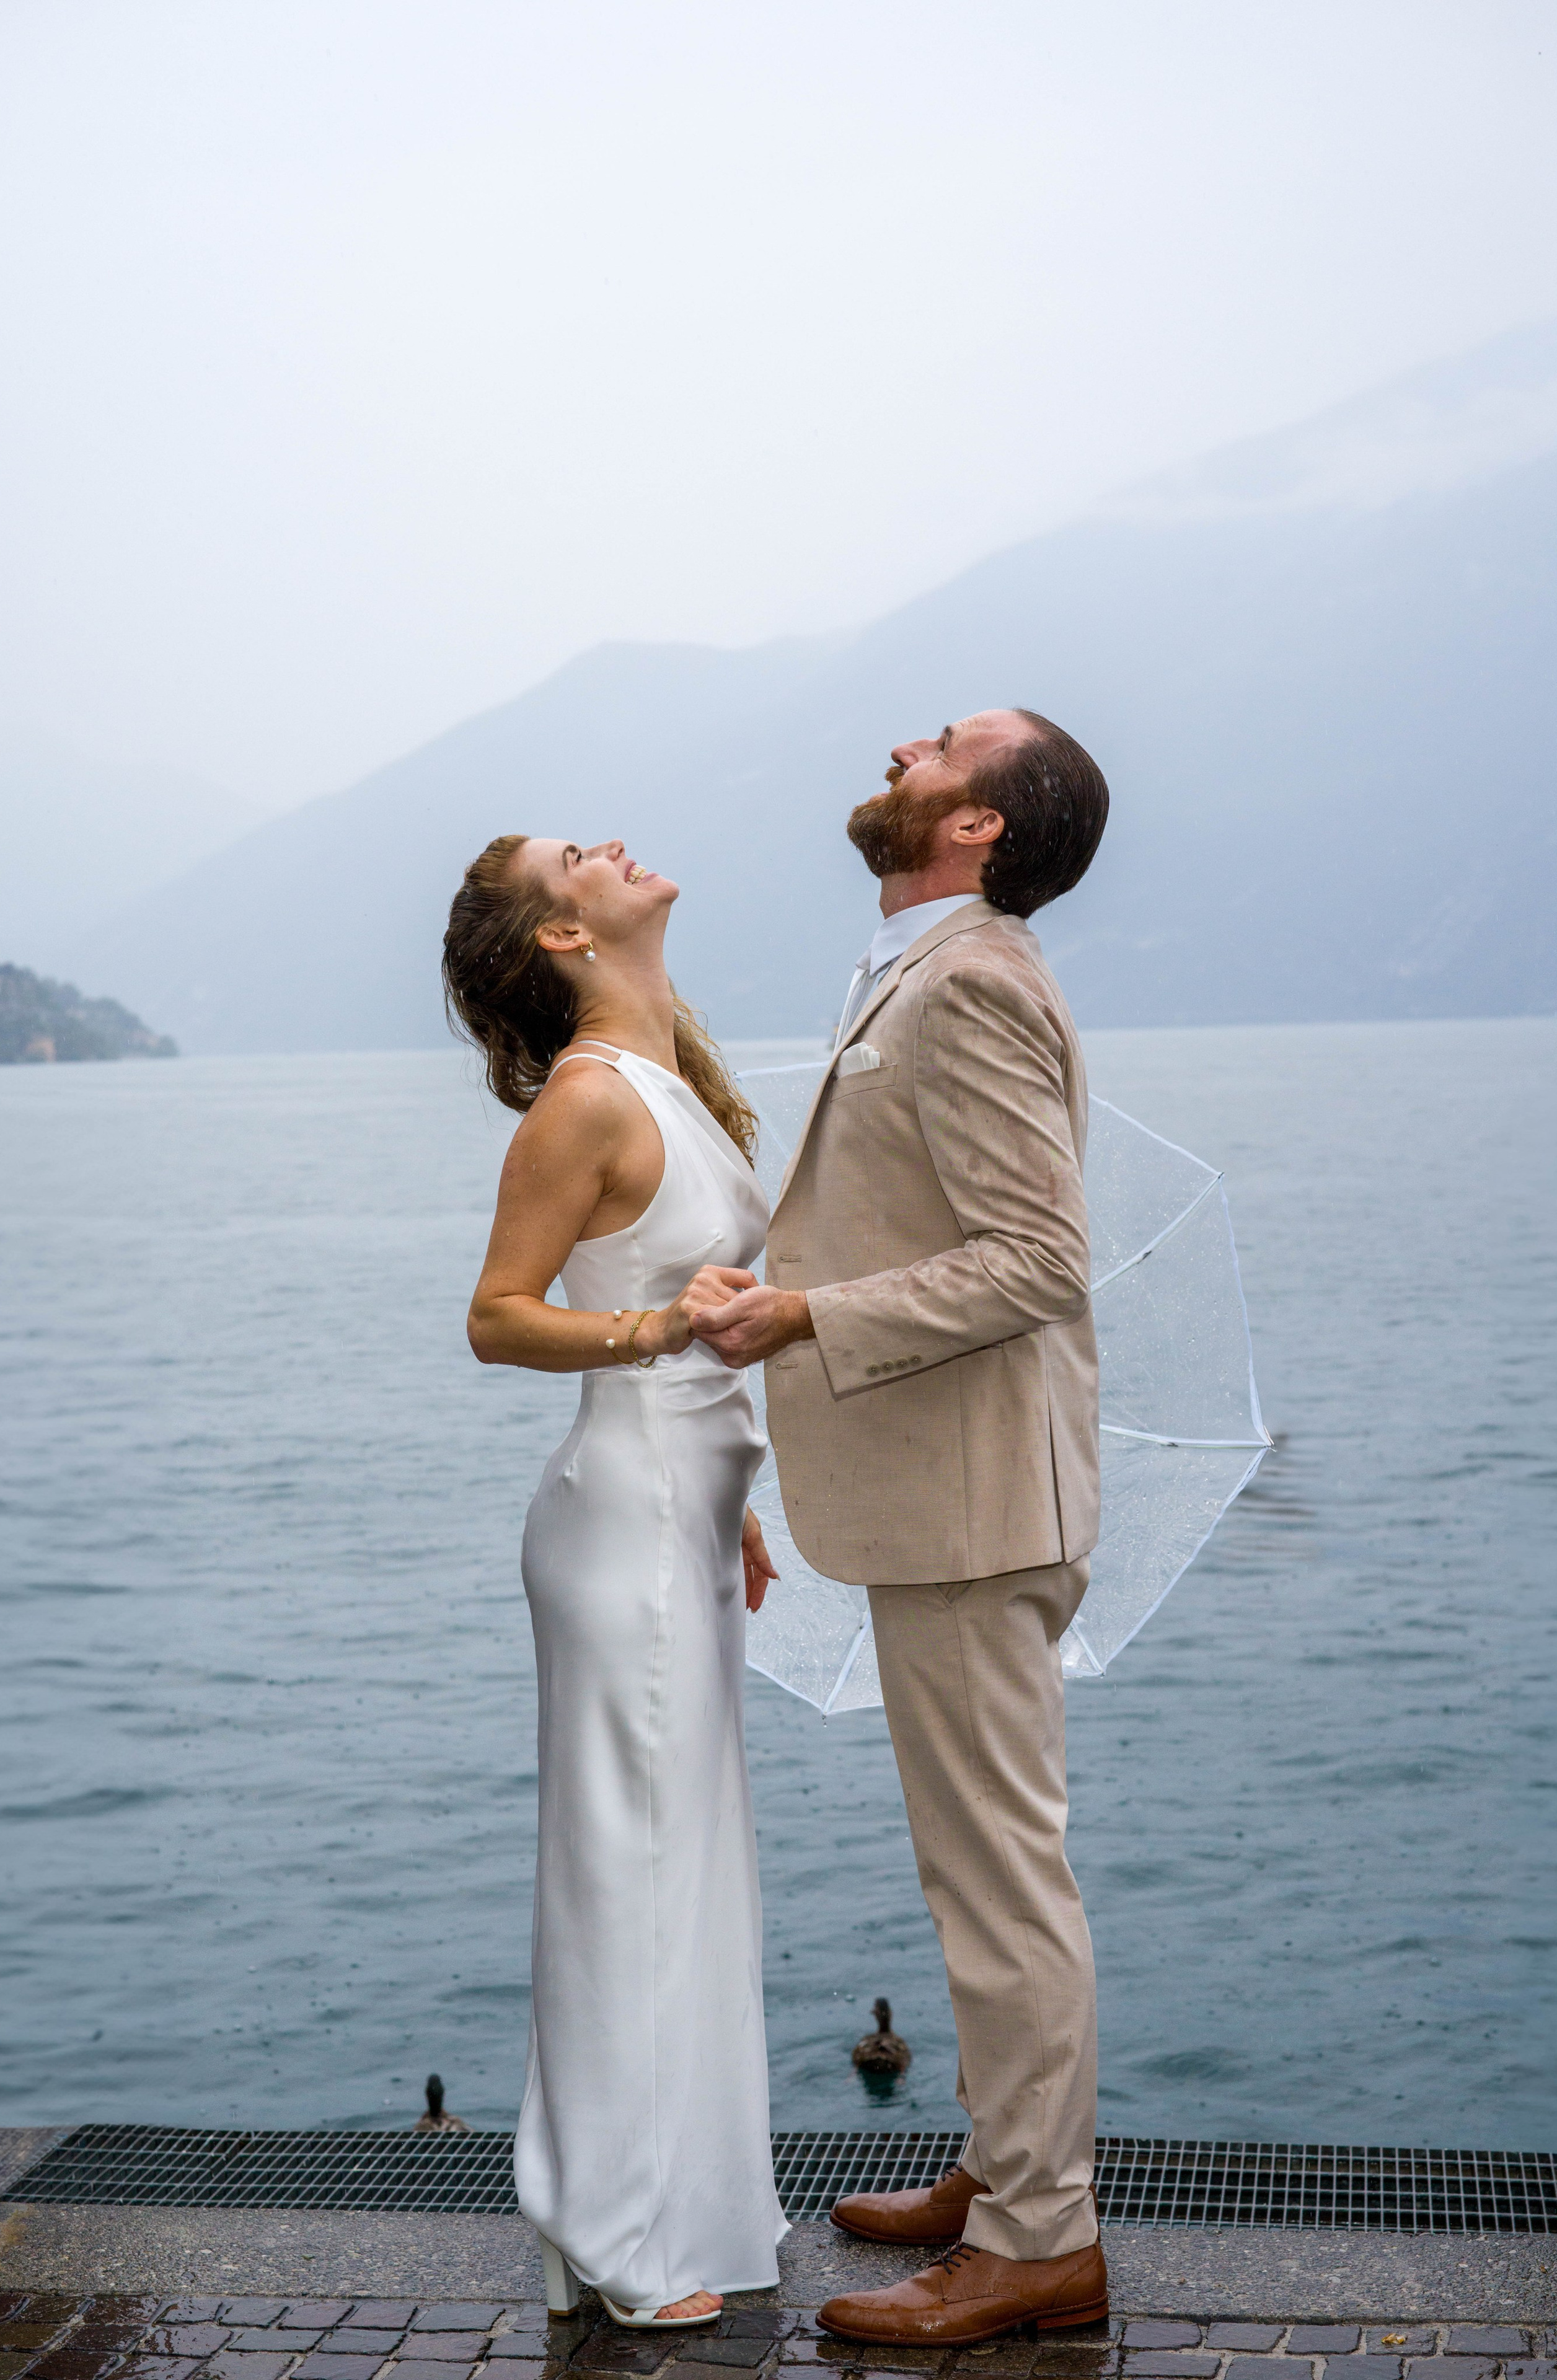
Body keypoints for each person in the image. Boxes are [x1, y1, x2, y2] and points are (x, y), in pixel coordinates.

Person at [692, 710, 1111, 2348]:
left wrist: (803, 1313)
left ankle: (1039, 2240)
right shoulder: (925, 965)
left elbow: (1036, 1259)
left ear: (981, 825)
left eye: (941, 745)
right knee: (976, 1872)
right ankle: (1010, 2170)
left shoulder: (981, 983)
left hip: (972, 1504)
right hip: (952, 1493)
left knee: (1001, 1879)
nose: (901, 745)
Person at [443, 832, 788, 2329]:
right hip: (621, 1518)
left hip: (688, 1513)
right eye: (568, 855)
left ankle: (647, 2211)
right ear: (561, 938)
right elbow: (497, 1319)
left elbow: (708, 1316)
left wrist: (748, 1495)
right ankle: (614, 2227)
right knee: (631, 1874)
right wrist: (658, 1340)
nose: (608, 845)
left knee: (680, 1870)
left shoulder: (672, 1085)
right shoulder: (584, 1101)